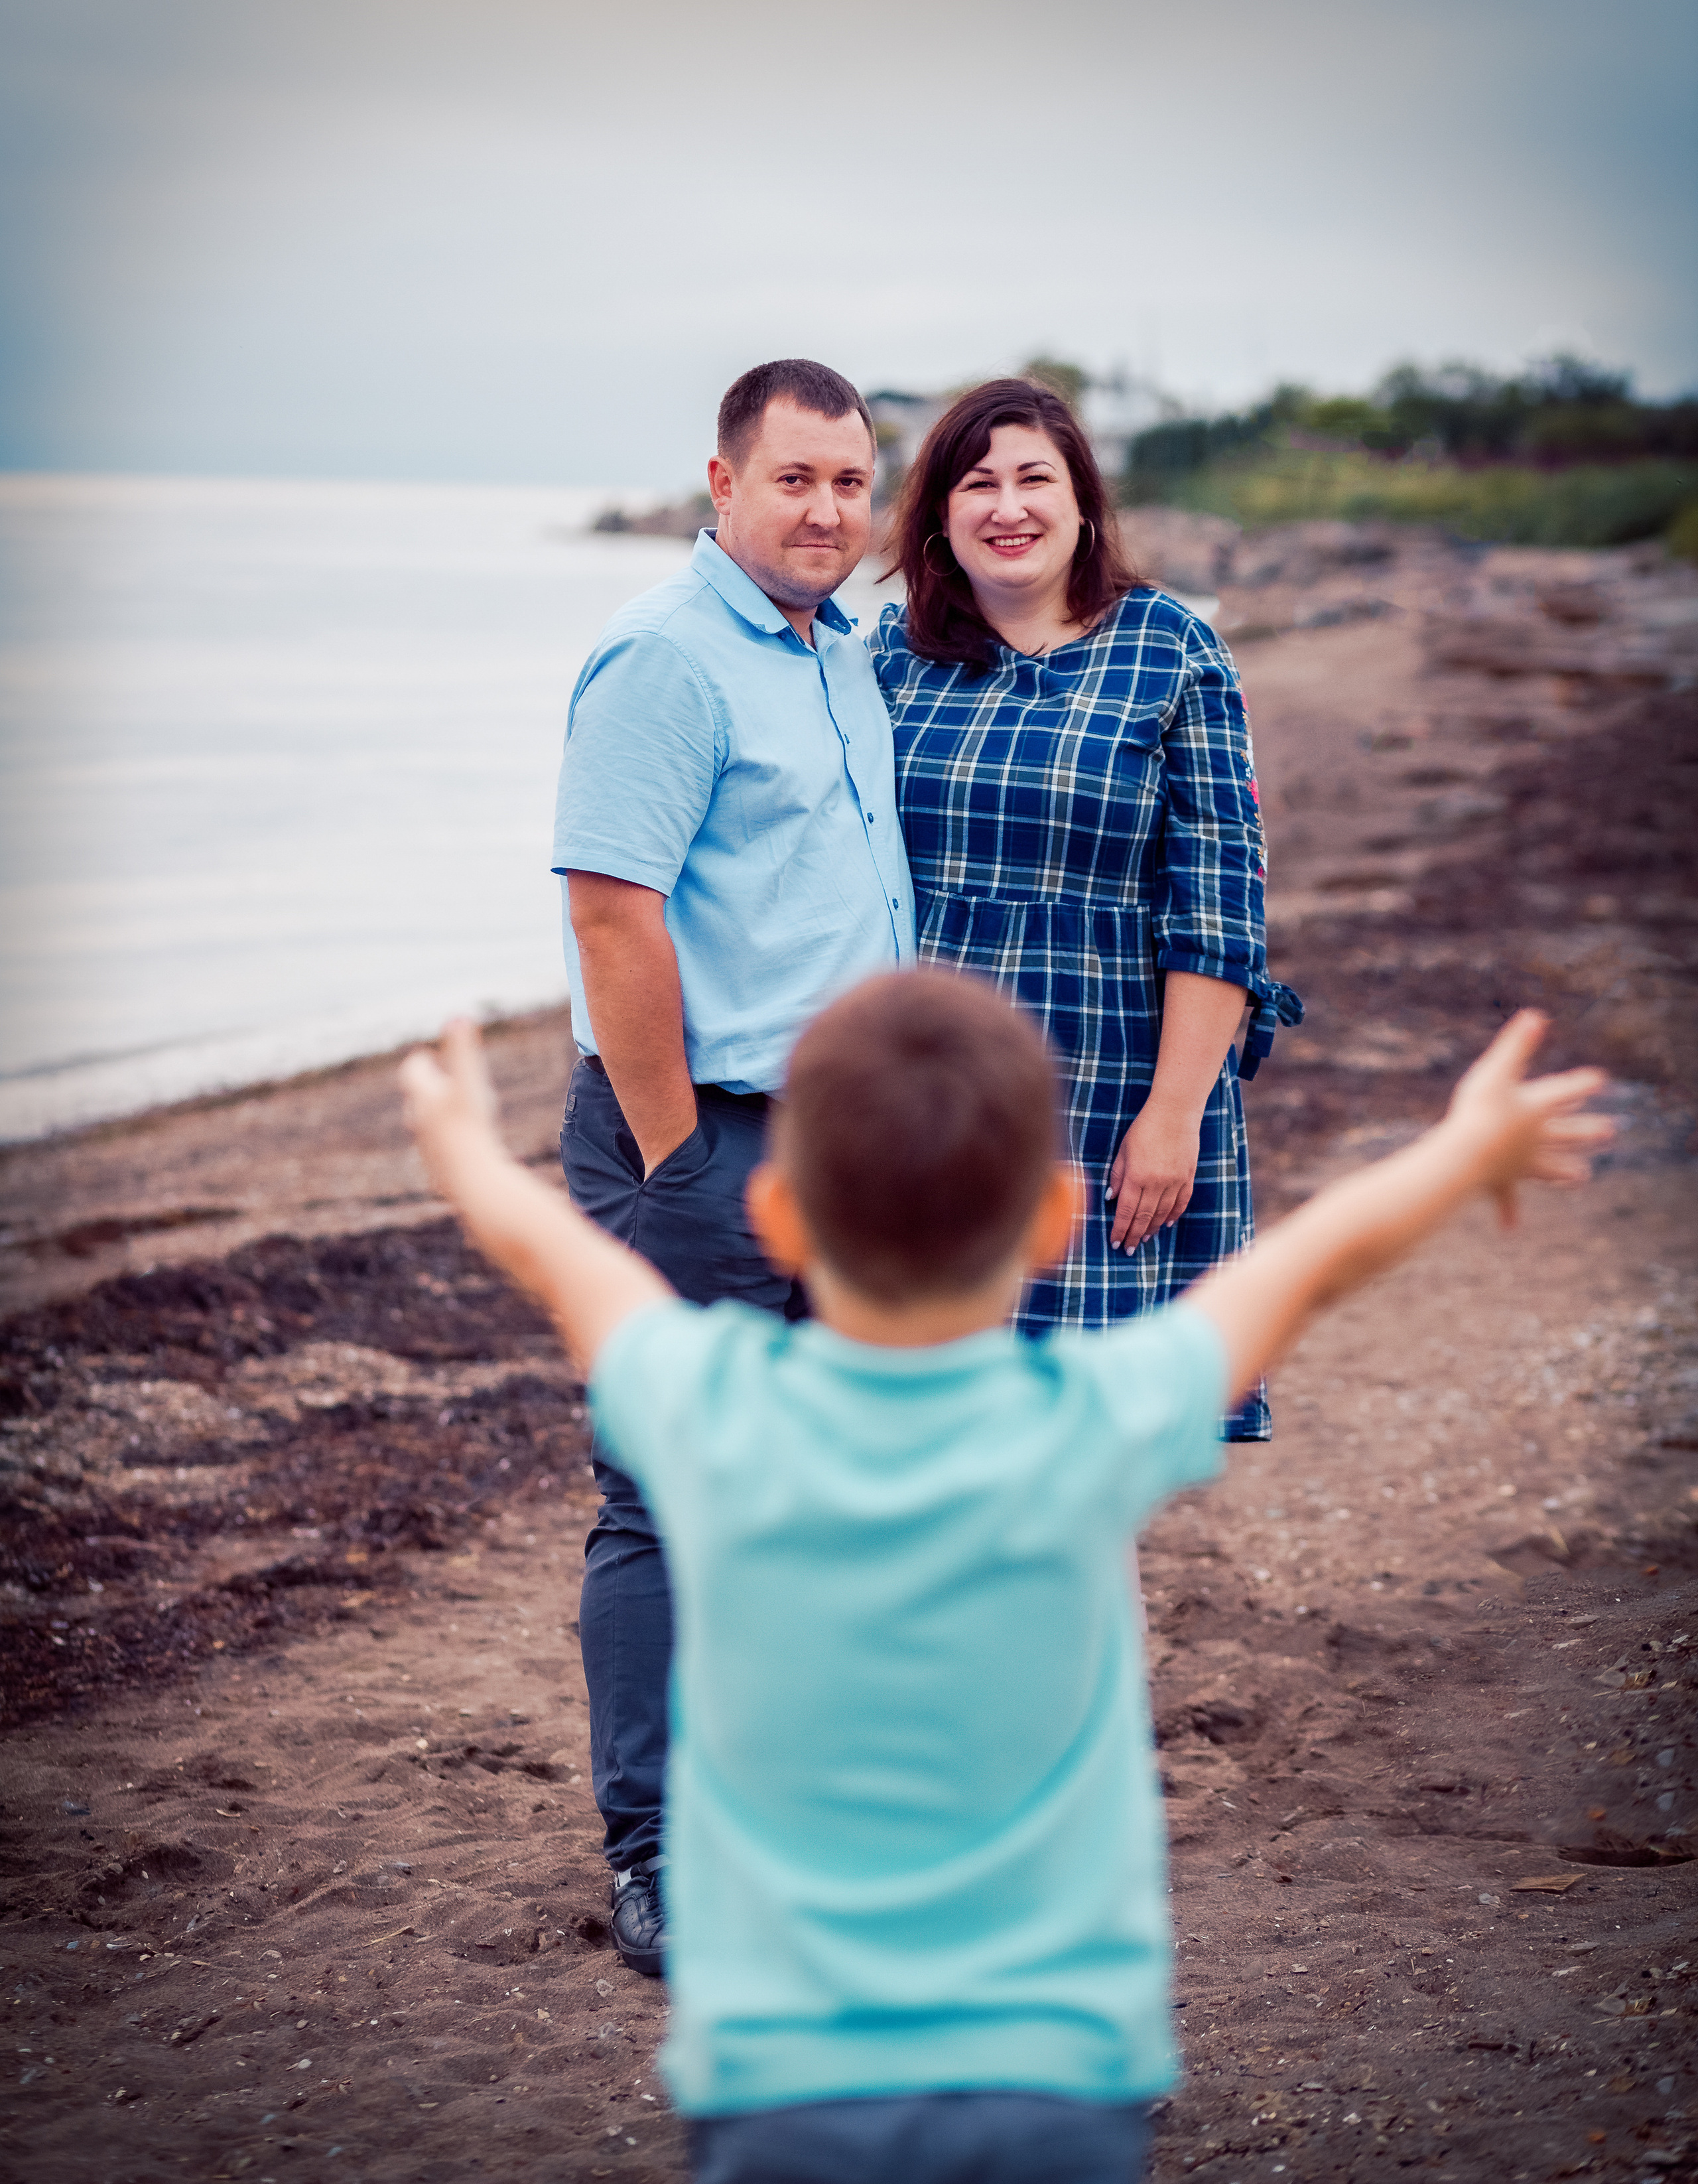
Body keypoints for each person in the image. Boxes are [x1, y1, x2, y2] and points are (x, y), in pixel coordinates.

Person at [401, 972, 1608, 2184]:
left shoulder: (716, 1411)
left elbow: (563, 1264)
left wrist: (460, 1150)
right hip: (1055, 2077)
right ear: (1051, 1220)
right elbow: (1310, 1265)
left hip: (784, 2082)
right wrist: (1466, 1150)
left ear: (776, 1221)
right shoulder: (1093, 1423)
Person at [550, 358, 915, 1975]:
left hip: (839, 1144)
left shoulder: (839, 654)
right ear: (721, 481)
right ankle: (653, 1860)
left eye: (849, 481)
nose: (826, 509)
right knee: (664, 1501)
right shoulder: (664, 658)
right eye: (795, 480)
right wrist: (678, 1146)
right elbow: (608, 908)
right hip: (692, 1134)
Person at [870, 377, 1301, 1438]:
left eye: (1034, 480)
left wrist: (1174, 1116)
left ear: (1083, 504)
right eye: (978, 484)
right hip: (925, 1096)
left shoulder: (1172, 648)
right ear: (937, 516)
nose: (1007, 507)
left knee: (1081, 1441)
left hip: (1109, 1093)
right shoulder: (887, 657)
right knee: (928, 1419)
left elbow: (1219, 905)